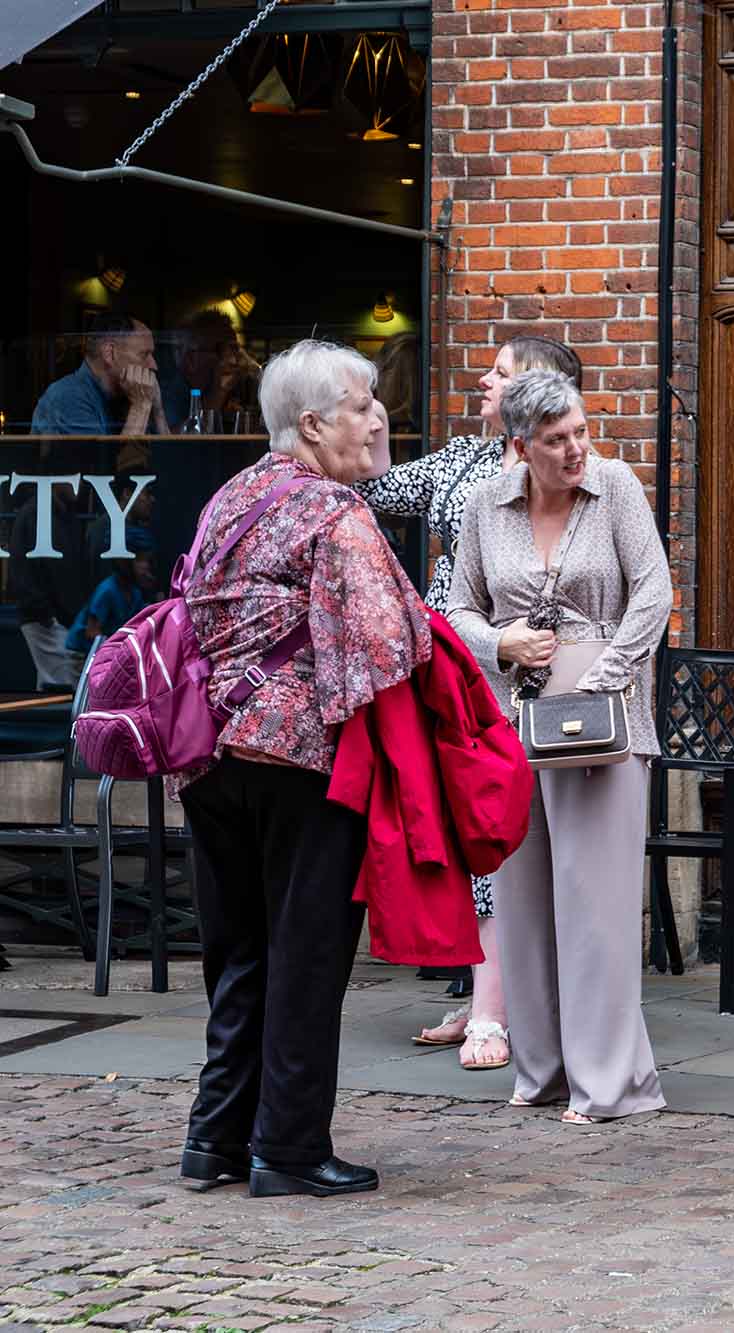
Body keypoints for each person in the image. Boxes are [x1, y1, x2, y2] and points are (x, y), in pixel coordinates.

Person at [176, 340, 433, 1198]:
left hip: (208, 754)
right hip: (299, 759)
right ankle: (286, 1148)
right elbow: (385, 645)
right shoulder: (335, 511)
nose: (377, 416)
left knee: (239, 952)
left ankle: (214, 1139)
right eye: (362, 404)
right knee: (307, 954)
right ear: (314, 425)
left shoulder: (230, 495)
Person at [447, 370, 671, 1125]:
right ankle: (540, 1070)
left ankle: (610, 1084)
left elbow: (654, 591)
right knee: (523, 900)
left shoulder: (616, 489)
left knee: (596, 904)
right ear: (520, 447)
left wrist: (602, 676)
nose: (576, 448)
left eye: (580, 430)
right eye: (556, 440)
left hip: (607, 721)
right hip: (515, 719)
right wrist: (500, 640)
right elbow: (459, 608)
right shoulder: (486, 505)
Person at [357, 333, 582, 1071]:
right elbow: (373, 490)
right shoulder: (465, 460)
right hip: (455, 666)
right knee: (467, 834)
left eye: (501, 372)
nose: (483, 380)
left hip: (531, 674)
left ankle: (498, 1005)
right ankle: (495, 994)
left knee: (508, 833)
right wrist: (370, 422)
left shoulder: (570, 471)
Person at [32, 313, 164, 436]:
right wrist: (140, 406)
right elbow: (128, 461)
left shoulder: (127, 394)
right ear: (109, 353)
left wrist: (158, 411)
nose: (154, 365)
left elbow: (171, 459)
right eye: (144, 354)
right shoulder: (68, 397)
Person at [66, 550, 154, 655]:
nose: (145, 568)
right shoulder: (107, 591)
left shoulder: (135, 593)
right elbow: (92, 632)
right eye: (139, 561)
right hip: (81, 654)